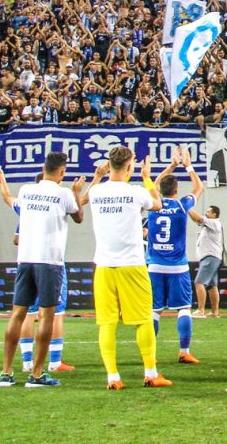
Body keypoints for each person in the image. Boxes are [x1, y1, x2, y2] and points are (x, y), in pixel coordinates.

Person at [0, 152, 85, 388]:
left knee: (18, 314)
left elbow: (8, 198)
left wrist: (0, 176)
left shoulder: (26, 190)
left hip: (25, 260)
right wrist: (77, 190)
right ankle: (36, 374)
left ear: (43, 168)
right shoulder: (63, 193)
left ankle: (6, 372)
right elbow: (78, 217)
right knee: (46, 316)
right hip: (49, 262)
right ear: (62, 172)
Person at [88, 145, 170, 390]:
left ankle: (113, 377)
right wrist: (147, 177)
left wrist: (98, 175)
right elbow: (158, 204)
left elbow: (89, 192)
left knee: (106, 323)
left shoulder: (95, 192)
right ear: (129, 166)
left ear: (109, 164)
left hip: (103, 265)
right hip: (132, 264)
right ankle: (150, 373)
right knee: (143, 320)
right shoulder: (135, 192)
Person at [149, 147, 205, 365]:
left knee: (154, 310)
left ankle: (150, 352)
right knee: (183, 308)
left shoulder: (153, 205)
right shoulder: (182, 205)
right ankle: (184, 351)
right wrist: (187, 165)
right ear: (176, 189)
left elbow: (153, 185)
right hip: (177, 267)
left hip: (154, 265)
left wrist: (171, 165)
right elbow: (199, 187)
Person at [193, 205, 224, 317]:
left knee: (199, 282)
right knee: (212, 285)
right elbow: (197, 220)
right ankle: (215, 312)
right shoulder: (211, 224)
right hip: (212, 257)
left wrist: (187, 207)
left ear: (215, 214)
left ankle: (200, 310)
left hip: (210, 257)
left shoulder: (214, 223)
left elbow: (199, 218)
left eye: (208, 211)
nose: (206, 213)